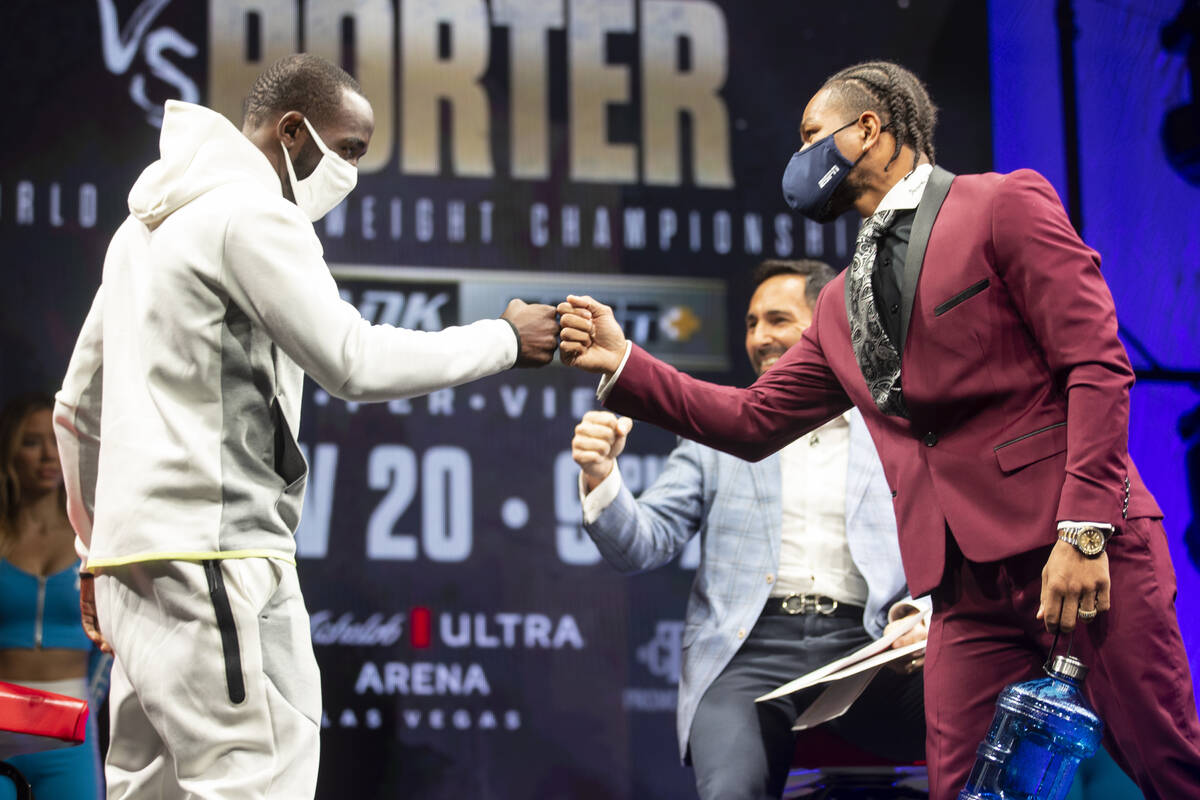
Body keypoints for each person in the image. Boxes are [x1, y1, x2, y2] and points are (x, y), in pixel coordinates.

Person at [557, 61, 1200, 800]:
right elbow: (751, 419)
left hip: (1076, 550)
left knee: (1165, 764)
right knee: (961, 788)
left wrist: (1085, 528)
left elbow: (1095, 362)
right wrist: (626, 363)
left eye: (811, 136)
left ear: (867, 129)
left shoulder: (1000, 205)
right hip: (962, 589)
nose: (799, 162)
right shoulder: (836, 306)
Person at [52, 53, 559, 800]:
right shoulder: (251, 212)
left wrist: (95, 551)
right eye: (348, 148)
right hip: (218, 555)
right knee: (254, 785)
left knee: (147, 791)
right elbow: (353, 359)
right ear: (293, 131)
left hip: (140, 570)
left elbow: (75, 408)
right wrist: (505, 340)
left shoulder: (142, 229)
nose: (352, 171)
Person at [570, 260, 926, 800]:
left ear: (829, 322)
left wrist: (923, 618)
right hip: (747, 655)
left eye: (778, 320)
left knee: (977, 706)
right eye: (752, 323)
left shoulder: (894, 430)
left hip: (871, 646)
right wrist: (601, 474)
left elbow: (949, 541)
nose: (760, 337)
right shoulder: (717, 432)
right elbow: (641, 544)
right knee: (732, 791)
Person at [0, 393, 105, 800]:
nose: (47, 454)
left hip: (72, 731)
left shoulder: (93, 536)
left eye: (56, 439)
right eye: (31, 442)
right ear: (10, 450)